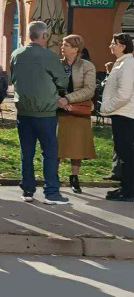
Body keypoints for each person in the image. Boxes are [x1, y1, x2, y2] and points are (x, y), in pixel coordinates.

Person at [10, 21, 70, 204]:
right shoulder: (49, 56)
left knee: (26, 152)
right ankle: (51, 192)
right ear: (44, 36)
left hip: (24, 110)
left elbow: (13, 77)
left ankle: (27, 190)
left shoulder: (16, 54)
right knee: (49, 152)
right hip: (45, 112)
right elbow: (62, 82)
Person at [57, 34, 96, 193]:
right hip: (58, 109)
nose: (62, 47)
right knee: (56, 145)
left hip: (78, 110)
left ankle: (74, 177)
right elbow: (50, 85)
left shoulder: (87, 66)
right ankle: (53, 176)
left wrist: (68, 99)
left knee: (77, 146)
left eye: (65, 45)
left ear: (75, 48)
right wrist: (59, 100)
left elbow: (89, 90)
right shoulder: (57, 64)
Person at [100, 33, 134, 202]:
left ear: (123, 46)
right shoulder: (121, 64)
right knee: (124, 153)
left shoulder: (127, 65)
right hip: (121, 113)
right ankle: (126, 188)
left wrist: (106, 108)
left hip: (125, 114)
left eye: (113, 43)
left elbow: (123, 95)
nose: (110, 46)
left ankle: (128, 191)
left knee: (126, 154)